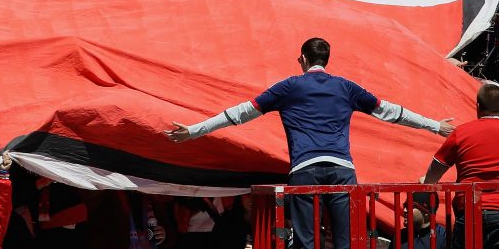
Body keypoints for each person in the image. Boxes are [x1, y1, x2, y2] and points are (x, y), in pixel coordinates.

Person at [166, 37, 454, 249]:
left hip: (305, 170)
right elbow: (392, 112)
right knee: (345, 241)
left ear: (303, 59)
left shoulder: (288, 86)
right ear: (325, 60)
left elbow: (239, 114)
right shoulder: (346, 86)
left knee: (306, 242)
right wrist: (434, 125)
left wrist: (194, 130)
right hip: (342, 171)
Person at [420, 84, 499, 249]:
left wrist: (427, 184)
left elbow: (434, 171)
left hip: (469, 210)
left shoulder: (461, 132)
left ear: (478, 106)